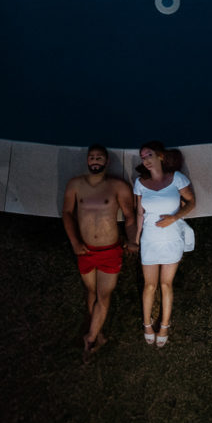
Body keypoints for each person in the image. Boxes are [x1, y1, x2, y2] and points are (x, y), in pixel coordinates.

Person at [62, 144, 137, 362]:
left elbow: (130, 216)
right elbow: (67, 213)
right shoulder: (75, 184)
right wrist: (75, 242)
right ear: (87, 161)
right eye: (92, 158)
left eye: (99, 158)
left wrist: (132, 240)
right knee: (91, 293)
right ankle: (99, 333)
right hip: (85, 249)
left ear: (107, 162)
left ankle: (90, 338)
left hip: (110, 250)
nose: (95, 161)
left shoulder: (117, 185)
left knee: (103, 295)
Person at [133, 141, 196, 348]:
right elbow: (139, 213)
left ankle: (165, 326)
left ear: (160, 156)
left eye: (149, 155)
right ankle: (147, 325)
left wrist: (174, 217)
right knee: (149, 285)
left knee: (165, 284)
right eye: (143, 157)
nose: (146, 160)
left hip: (171, 238)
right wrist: (136, 238)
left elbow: (192, 202)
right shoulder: (140, 182)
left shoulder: (177, 178)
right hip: (149, 240)